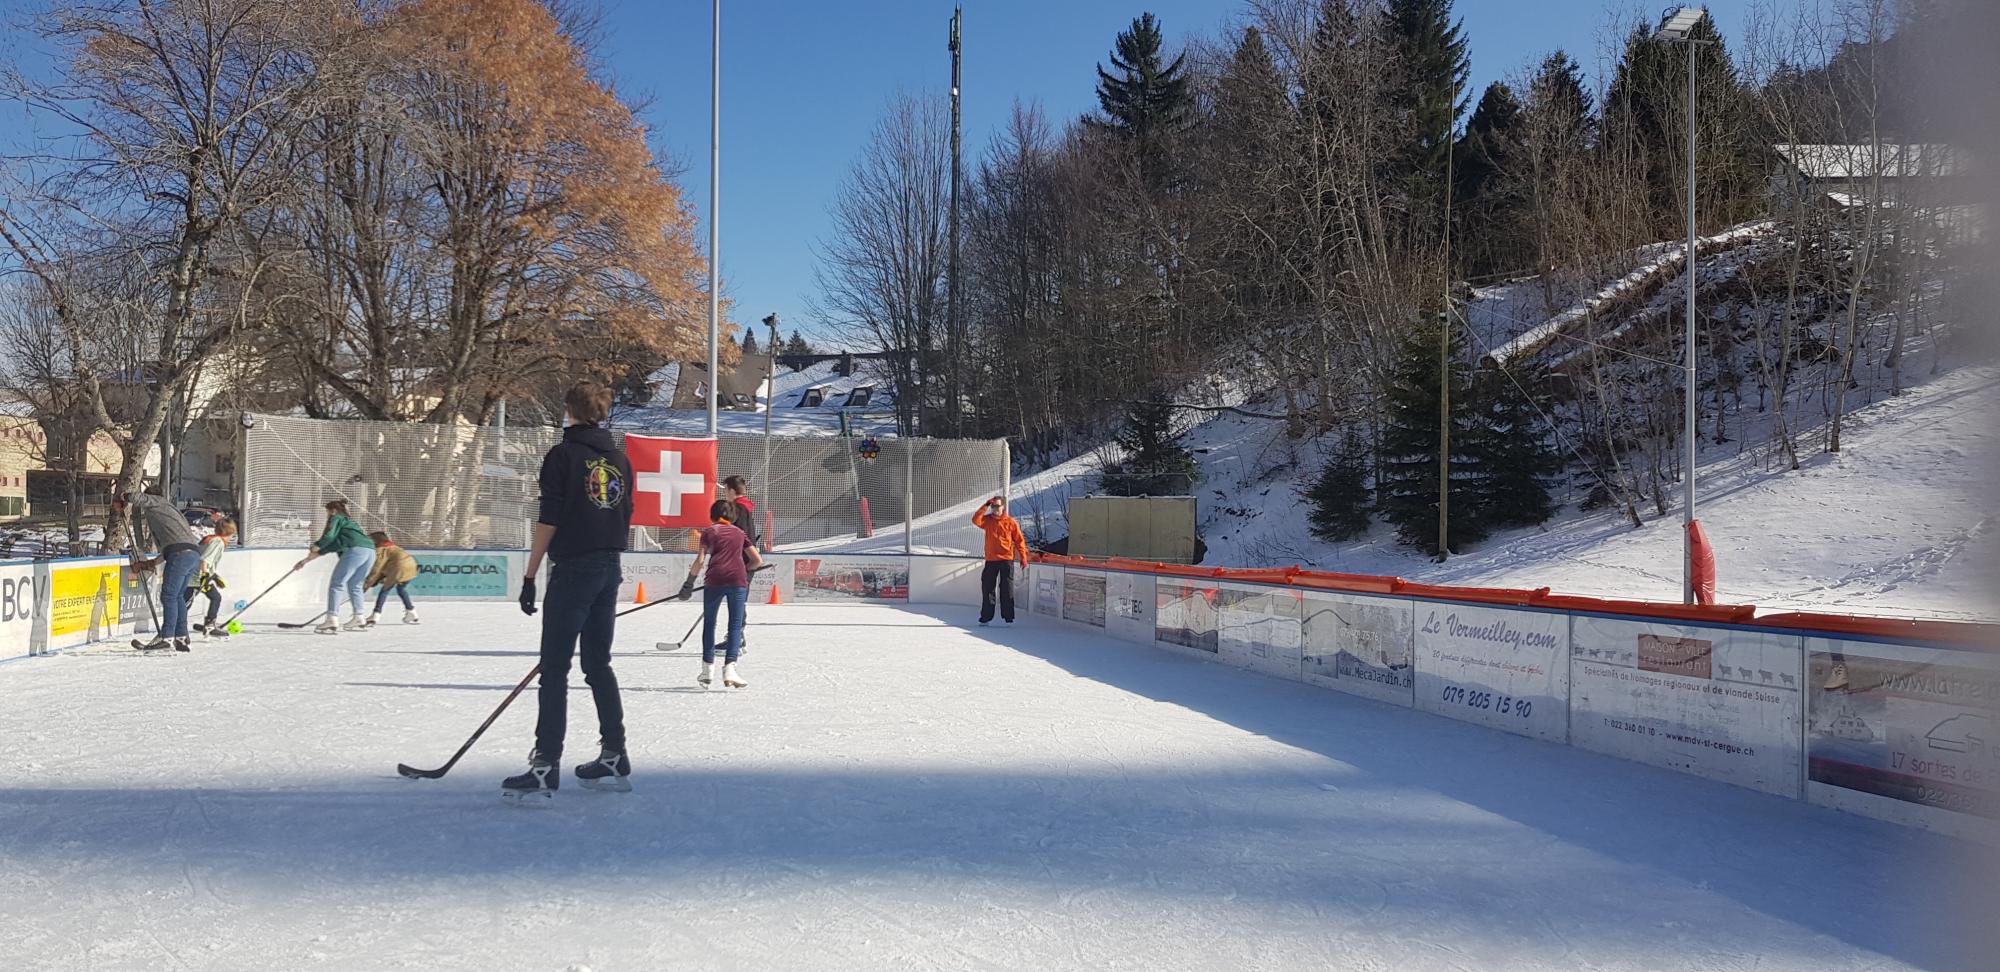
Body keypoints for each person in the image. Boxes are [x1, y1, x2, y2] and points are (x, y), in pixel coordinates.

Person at [503, 381, 636, 802]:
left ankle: (545, 763)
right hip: (609, 566)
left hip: (576, 566)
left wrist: (530, 576)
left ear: (569, 410)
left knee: (554, 668)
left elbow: (550, 518)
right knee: (598, 664)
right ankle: (614, 751)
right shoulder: (619, 459)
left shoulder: (563, 455)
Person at [678, 498, 762, 689]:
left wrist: (688, 584)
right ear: (732, 516)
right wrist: (743, 570)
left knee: (710, 623)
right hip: (738, 581)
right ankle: (730, 669)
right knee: (734, 625)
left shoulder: (709, 532)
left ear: (713, 515)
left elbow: (700, 560)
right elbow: (757, 560)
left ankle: (707, 670)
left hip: (714, 580)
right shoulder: (740, 533)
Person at [116, 491, 204, 652]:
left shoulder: (158, 502)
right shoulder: (171, 513)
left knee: (168, 595)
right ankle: (181, 638)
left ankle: (167, 638)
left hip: (180, 555)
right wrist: (151, 563)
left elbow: (140, 498)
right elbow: (171, 547)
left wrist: (123, 497)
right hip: (192, 555)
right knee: (177, 596)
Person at [295, 499, 376, 634]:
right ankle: (359, 617)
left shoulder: (337, 518)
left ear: (333, 511)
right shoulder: (350, 525)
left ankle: (332, 618)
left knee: (337, 584)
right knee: (355, 584)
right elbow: (335, 544)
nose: (327, 516)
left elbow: (329, 536)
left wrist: (317, 545)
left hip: (355, 550)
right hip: (370, 551)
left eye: (327, 512)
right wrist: (305, 561)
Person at [972, 496, 1028, 625]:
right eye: (993, 506)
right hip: (991, 560)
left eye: (997, 506)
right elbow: (975, 520)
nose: (995, 509)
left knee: (1006, 588)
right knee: (987, 588)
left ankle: (1008, 617)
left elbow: (1019, 541)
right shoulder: (987, 520)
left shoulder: (1011, 522)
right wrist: (985, 505)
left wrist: (1023, 557)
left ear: (1003, 507)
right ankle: (986, 617)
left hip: (1006, 560)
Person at [720, 474, 760, 654]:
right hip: (743, 561)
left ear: (731, 490)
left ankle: (736, 639)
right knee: (737, 600)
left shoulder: (738, 508)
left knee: (737, 601)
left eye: (725, 490)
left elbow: (741, 536)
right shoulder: (744, 508)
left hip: (741, 562)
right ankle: (736, 637)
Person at [188, 518, 236, 639]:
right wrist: (205, 577)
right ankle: (210, 625)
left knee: (186, 600)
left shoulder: (210, 539)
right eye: (232, 534)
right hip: (197, 576)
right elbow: (204, 560)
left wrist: (214, 576)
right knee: (216, 597)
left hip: (192, 574)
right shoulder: (218, 542)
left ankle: (177, 625)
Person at [364, 531, 420, 626]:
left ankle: (375, 615)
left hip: (399, 568)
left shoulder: (381, 550)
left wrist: (366, 585)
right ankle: (411, 612)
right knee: (401, 589)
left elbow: (377, 568)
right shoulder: (394, 547)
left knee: (384, 591)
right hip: (412, 566)